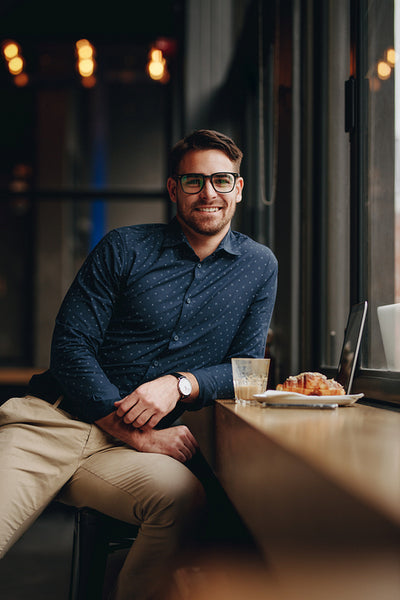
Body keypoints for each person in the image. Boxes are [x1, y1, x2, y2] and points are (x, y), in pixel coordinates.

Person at [0, 129, 278, 600]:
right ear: (174, 189)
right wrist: (130, 427)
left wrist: (181, 384)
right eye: (194, 181)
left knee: (183, 502)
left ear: (239, 188)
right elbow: (70, 346)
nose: (209, 193)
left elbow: (248, 371)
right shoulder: (125, 247)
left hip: (127, 455)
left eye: (222, 180)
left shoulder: (258, 266)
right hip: (52, 422)